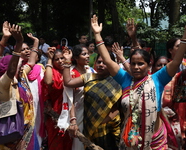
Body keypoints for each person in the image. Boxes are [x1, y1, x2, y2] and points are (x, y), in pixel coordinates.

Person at [90, 14, 186, 149]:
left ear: (149, 65)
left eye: (140, 64)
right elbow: (107, 60)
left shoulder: (158, 79)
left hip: (156, 142)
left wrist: (185, 37)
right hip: (130, 140)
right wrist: (97, 34)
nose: (135, 67)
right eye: (133, 63)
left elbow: (176, 61)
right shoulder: (125, 79)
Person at [0, 23, 44, 150]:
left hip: (29, 133)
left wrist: (36, 43)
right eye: (18, 64)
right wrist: (18, 42)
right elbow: (10, 72)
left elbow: (31, 62)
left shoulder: (22, 77)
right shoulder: (4, 84)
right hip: (12, 137)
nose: (21, 66)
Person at [62, 49, 122, 150]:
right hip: (90, 125)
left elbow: (118, 107)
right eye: (99, 62)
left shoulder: (118, 81)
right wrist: (67, 61)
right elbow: (68, 82)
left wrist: (102, 122)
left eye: (105, 63)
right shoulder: (88, 77)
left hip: (109, 128)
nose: (101, 65)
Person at [57, 45, 95, 150]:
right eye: (84, 54)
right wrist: (73, 120)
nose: (88, 56)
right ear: (76, 58)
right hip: (77, 113)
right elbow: (70, 99)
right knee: (79, 143)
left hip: (90, 112)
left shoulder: (90, 71)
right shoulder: (71, 74)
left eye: (88, 53)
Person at [43, 47, 72, 150]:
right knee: (57, 143)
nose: (60, 61)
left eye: (62, 58)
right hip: (56, 114)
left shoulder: (70, 70)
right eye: (57, 59)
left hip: (71, 112)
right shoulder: (52, 71)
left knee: (70, 142)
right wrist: (49, 59)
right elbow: (48, 81)